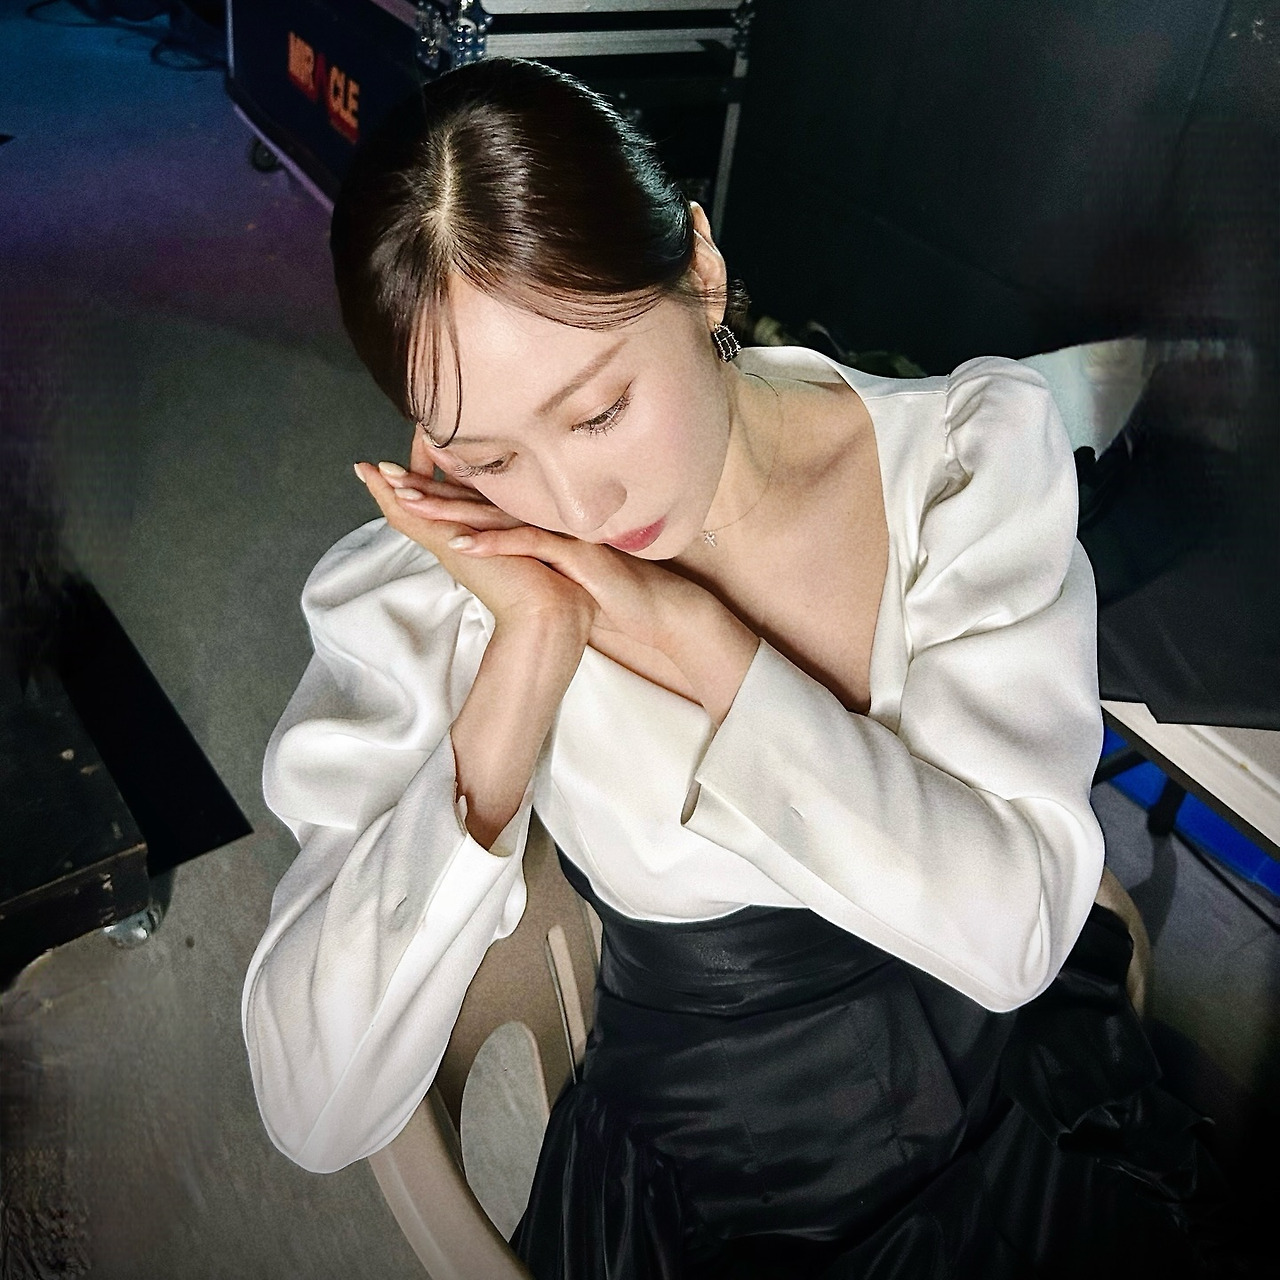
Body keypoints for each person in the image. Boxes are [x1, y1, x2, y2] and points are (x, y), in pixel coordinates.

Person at [241, 58, 1242, 1279]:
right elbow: (310, 1103)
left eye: (598, 411)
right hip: (710, 1189)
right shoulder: (455, 581)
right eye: (489, 457)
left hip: (999, 1092)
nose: (575, 509)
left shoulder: (956, 464)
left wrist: (701, 644)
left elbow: (1015, 932)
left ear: (699, 270)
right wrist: (529, 655)